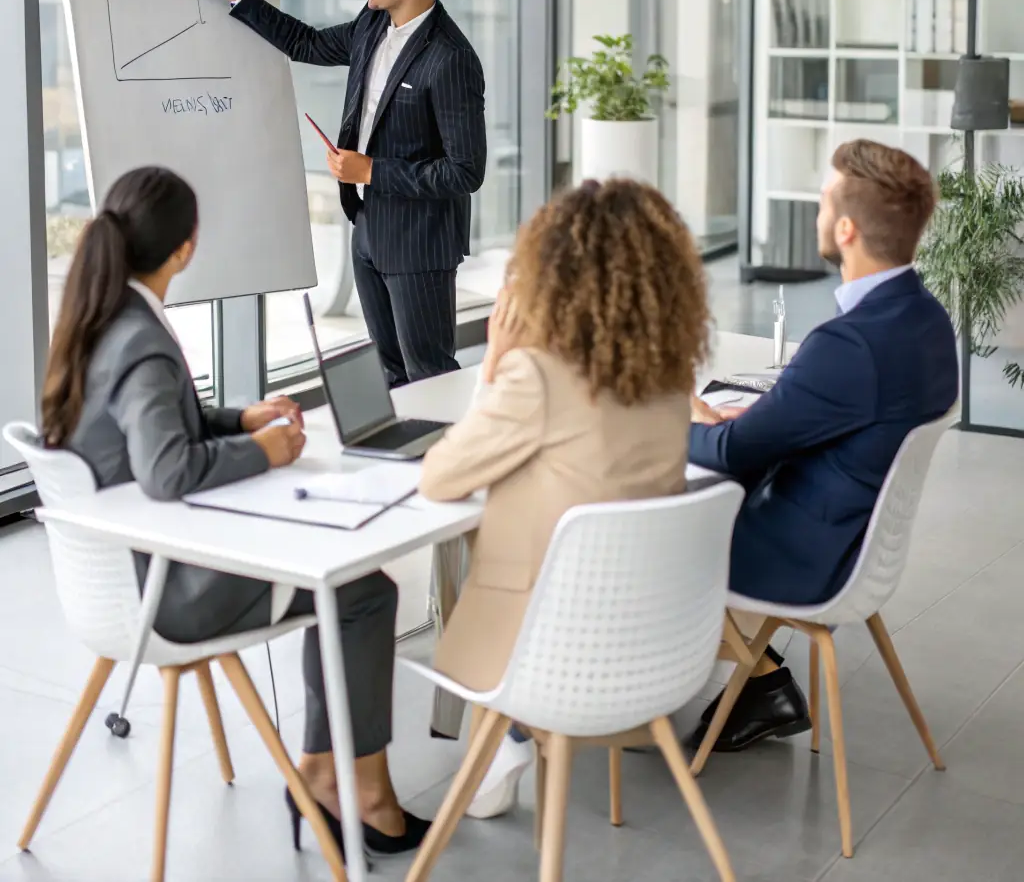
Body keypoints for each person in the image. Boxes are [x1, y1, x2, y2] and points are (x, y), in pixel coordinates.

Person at [41, 166, 429, 857]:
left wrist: (239, 418)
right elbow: (167, 469)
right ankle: (346, 786)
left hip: (124, 578)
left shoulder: (104, 316)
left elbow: (159, 422)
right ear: (186, 248)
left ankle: (340, 779)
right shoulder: (140, 339)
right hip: (166, 594)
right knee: (362, 591)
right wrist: (263, 450)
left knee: (355, 586)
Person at [418, 177, 711, 818]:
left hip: (546, 654)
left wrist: (496, 361)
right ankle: (511, 738)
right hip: (651, 646)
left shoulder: (536, 377)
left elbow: (440, 477)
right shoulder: (671, 381)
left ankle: (508, 735)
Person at [688, 140, 958, 754]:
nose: (816, 213)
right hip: (861, 545)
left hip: (808, 556)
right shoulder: (925, 318)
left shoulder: (850, 342)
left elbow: (731, 455)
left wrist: (668, 425)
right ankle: (762, 682)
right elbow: (842, 416)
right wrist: (755, 419)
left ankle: (626, 698)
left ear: (845, 228)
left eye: (822, 201)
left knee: (656, 528)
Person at [184, 0, 486, 387]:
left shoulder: (450, 58)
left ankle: (454, 439)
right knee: (391, 374)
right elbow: (306, 43)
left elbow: (465, 171)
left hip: (419, 244)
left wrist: (372, 171)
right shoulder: (372, 23)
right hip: (367, 229)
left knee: (430, 375)